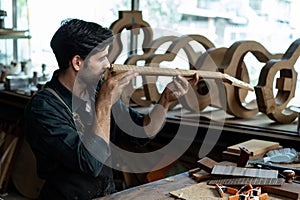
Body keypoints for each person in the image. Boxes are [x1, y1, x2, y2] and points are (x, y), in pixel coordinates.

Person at [24, 18, 199, 200]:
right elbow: (90, 163)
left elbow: (142, 132)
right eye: (101, 58)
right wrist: (105, 103)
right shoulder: (44, 108)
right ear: (77, 62)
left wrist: (165, 100)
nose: (108, 64)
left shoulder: (96, 90)